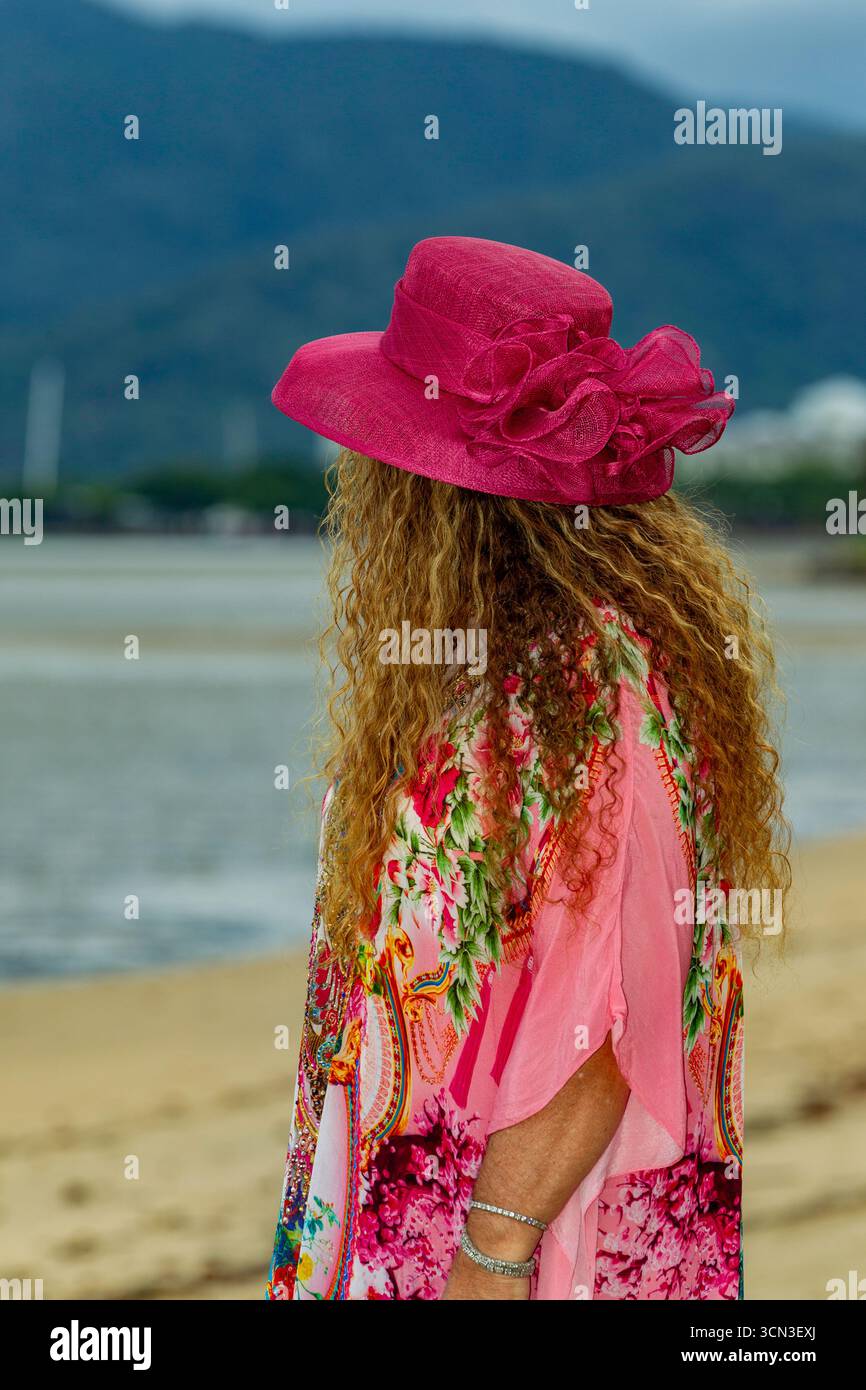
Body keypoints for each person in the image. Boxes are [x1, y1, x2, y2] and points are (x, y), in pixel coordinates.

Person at [264, 237, 789, 1301]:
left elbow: (610, 1016)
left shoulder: (594, 688)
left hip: (516, 1248)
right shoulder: (506, 659)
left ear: (437, 490)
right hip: (430, 1212)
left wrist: (488, 1261)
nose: (359, 478)